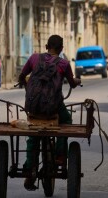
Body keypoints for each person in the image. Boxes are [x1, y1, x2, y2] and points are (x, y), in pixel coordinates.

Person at [18, 35, 81, 190]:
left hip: (33, 108)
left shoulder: (33, 58)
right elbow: (72, 83)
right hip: (54, 107)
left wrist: (26, 86)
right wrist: (77, 81)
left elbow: (21, 76)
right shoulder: (64, 64)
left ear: (46, 46)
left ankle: (29, 168)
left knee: (33, 134)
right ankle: (60, 155)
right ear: (61, 49)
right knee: (66, 121)